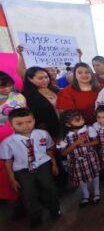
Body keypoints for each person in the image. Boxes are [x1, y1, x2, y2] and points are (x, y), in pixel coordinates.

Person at [0, 108, 61, 227]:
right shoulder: (8, 142)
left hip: (43, 166)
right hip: (23, 171)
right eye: (19, 123)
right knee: (28, 194)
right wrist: (12, 179)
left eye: (29, 121)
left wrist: (53, 164)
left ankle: (54, 208)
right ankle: (35, 215)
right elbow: (8, 161)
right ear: (11, 125)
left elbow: (49, 150)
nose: (25, 126)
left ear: (34, 120)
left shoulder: (43, 134)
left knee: (49, 188)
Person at [59, 110, 100, 208]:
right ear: (68, 124)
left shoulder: (88, 129)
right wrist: (76, 143)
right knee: (81, 179)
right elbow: (63, 153)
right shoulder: (65, 136)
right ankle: (85, 195)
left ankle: (97, 192)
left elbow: (96, 142)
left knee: (95, 174)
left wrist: (85, 144)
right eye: (77, 120)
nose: (82, 121)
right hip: (75, 161)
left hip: (90, 157)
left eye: (82, 118)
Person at [0, 72, 27, 201]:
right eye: (3, 86)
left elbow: (27, 114)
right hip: (2, 139)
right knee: (6, 167)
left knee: (22, 165)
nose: (7, 89)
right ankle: (13, 197)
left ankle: (28, 193)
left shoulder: (18, 97)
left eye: (10, 86)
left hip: (21, 135)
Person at [22, 67, 60, 140]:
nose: (45, 80)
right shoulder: (27, 95)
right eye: (40, 78)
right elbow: (35, 117)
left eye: (46, 77)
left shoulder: (55, 89)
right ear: (30, 79)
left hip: (66, 124)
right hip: (50, 130)